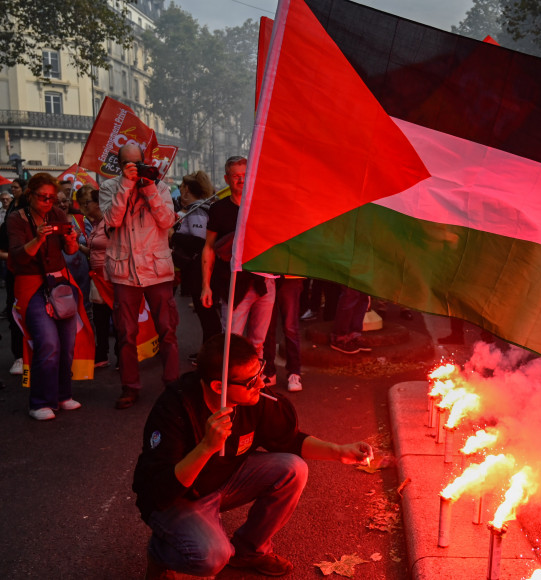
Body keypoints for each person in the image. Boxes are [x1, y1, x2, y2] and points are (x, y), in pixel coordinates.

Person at [133, 333, 373, 578]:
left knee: (293, 468)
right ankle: (160, 553)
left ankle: (249, 550)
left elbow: (289, 439)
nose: (261, 384)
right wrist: (206, 447)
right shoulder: (175, 408)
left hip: (225, 479)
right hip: (180, 496)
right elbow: (161, 490)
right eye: (251, 381)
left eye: (260, 372)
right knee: (212, 556)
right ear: (219, 386)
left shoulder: (254, 398)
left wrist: (339, 451)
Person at [100, 143, 180, 410]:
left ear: (145, 162)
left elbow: (168, 221)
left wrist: (149, 189)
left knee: (167, 330)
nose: (133, 168)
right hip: (125, 272)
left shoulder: (161, 187)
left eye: (137, 163)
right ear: (120, 165)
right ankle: (130, 387)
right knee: (125, 333)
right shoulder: (110, 187)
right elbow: (112, 220)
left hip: (157, 271)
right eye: (127, 164)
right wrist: (125, 185)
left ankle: (173, 383)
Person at [7, 173, 92, 420]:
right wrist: (38, 237)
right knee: (48, 342)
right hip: (32, 284)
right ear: (30, 195)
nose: (48, 202)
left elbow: (70, 251)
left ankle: (63, 395)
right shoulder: (17, 218)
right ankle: (40, 401)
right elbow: (18, 257)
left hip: (59, 283)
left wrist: (72, 241)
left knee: (66, 344)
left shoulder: (56, 214)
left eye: (52, 198)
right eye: (43, 197)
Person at [201, 156, 276, 360]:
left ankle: (254, 384)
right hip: (233, 283)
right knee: (231, 342)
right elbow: (208, 247)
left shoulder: (263, 205)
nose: (241, 180)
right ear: (227, 178)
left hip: (264, 281)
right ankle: (232, 385)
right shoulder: (218, 209)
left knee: (258, 341)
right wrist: (206, 285)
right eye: (236, 176)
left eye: (245, 175)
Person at [172, 171, 220, 349]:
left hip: (198, 268)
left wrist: (174, 236)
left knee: (206, 312)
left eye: (182, 187)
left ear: (187, 189)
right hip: (199, 267)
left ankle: (212, 350)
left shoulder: (197, 209)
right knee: (206, 311)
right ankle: (209, 349)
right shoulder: (201, 207)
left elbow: (199, 241)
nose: (180, 190)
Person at [81, 185, 117, 369]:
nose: (85, 206)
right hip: (97, 277)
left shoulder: (111, 223)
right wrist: (75, 244)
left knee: (118, 318)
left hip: (111, 277)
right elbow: (92, 250)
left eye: (88, 202)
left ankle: (122, 355)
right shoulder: (95, 224)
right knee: (100, 319)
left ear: (99, 204)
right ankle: (101, 353)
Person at [2, 177, 30, 375]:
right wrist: (16, 255)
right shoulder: (11, 221)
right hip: (17, 277)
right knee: (16, 315)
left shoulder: (51, 218)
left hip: (40, 279)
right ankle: (20, 356)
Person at [263, 275, 304, 391]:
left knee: (290, 326)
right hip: (269, 274)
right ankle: (269, 371)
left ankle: (294, 372)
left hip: (290, 276)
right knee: (267, 326)